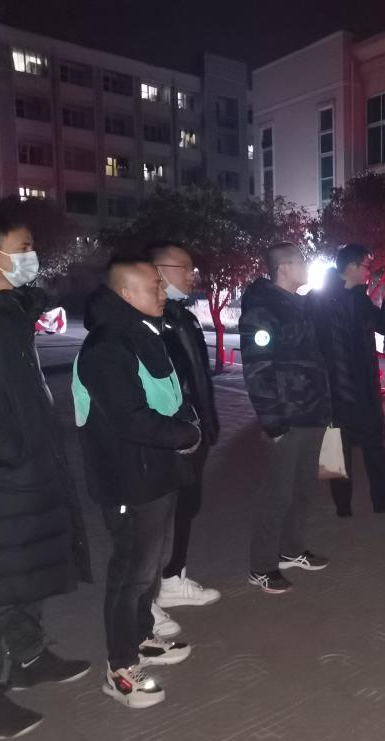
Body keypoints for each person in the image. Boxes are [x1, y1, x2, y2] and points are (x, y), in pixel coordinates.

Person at [0, 204, 91, 739]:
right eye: (24, 247)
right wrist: (12, 452)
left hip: (25, 469)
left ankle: (30, 657)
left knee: (24, 576)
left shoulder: (4, 308)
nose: (32, 256)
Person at [73, 258, 200, 708]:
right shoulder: (107, 347)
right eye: (154, 287)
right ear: (126, 294)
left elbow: (169, 397)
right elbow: (131, 419)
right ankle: (120, 666)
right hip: (128, 481)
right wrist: (187, 434)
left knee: (149, 567)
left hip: (156, 473)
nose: (163, 293)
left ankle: (142, 637)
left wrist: (186, 424)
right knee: (130, 573)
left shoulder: (143, 334)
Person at [239, 242, 331, 594]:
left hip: (311, 412)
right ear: (285, 268)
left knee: (303, 488)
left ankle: (291, 550)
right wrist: (272, 421)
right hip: (287, 417)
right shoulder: (263, 309)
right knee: (277, 493)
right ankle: (262, 567)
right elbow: (257, 369)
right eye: (302, 262)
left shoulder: (298, 304)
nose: (307, 267)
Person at [143, 243, 221, 633]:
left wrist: (207, 421)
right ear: (157, 271)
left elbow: (197, 376)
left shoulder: (182, 317)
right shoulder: (146, 321)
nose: (192, 275)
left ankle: (173, 578)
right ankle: (147, 598)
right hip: (166, 436)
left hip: (192, 428)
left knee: (187, 507)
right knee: (157, 519)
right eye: (184, 268)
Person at [316, 244, 385, 517]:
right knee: (335, 447)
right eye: (366, 265)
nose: (368, 271)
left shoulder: (361, 299)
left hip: (364, 385)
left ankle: (383, 499)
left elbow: (382, 326)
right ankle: (342, 503)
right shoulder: (320, 300)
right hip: (334, 386)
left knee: (374, 443)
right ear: (351, 266)